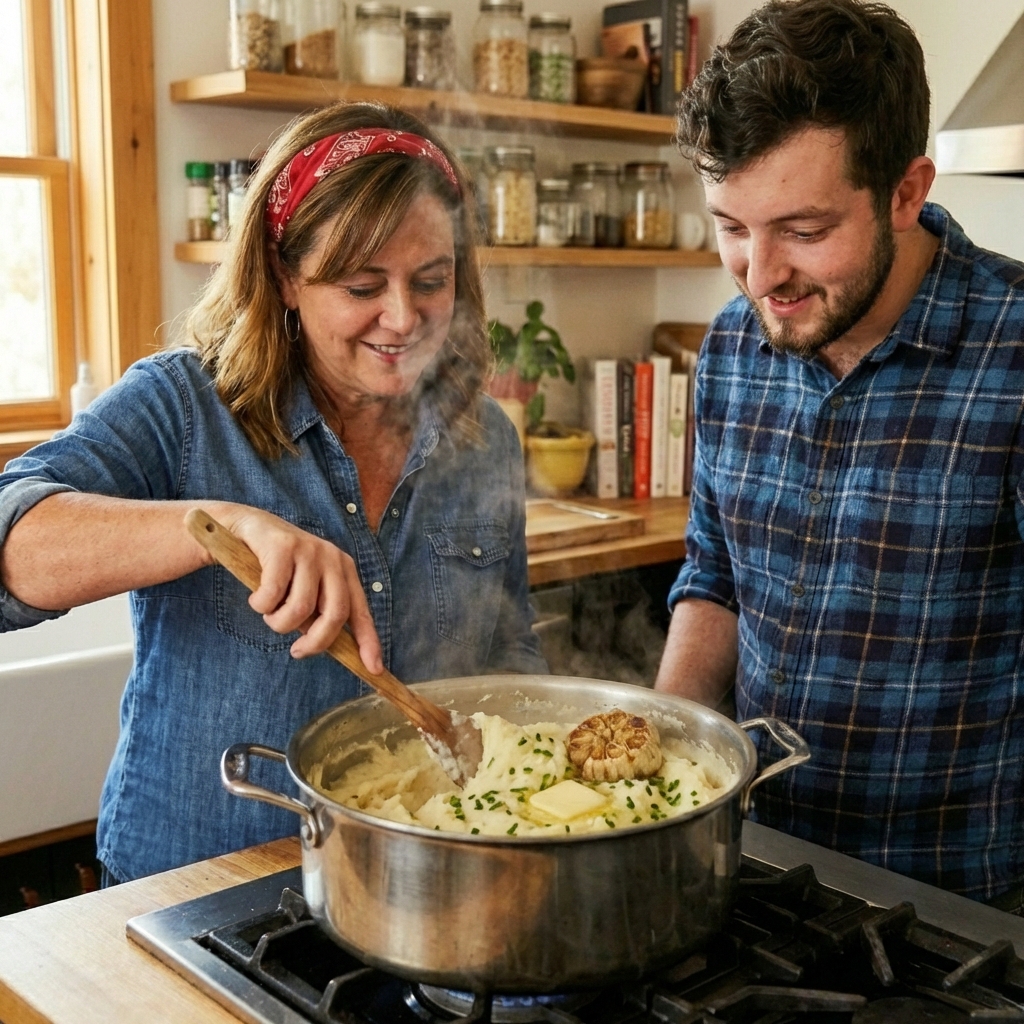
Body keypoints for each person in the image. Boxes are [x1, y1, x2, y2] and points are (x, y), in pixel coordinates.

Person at [0, 102, 545, 884]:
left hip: (411, 885)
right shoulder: (184, 408)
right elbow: (9, 540)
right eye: (362, 286)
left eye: (433, 280)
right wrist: (213, 525)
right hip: (195, 884)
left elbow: (509, 652)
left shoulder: (485, 436)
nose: (404, 317)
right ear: (286, 277)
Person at [654, 0, 1024, 909]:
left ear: (905, 191)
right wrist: (653, 767)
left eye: (805, 231)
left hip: (957, 917)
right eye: (732, 226)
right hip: (750, 873)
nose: (760, 274)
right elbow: (717, 581)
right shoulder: (735, 348)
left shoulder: (1013, 355)